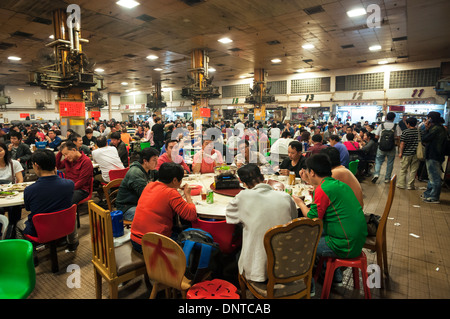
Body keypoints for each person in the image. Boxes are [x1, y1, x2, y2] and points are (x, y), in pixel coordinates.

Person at [293, 154, 367, 285]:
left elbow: (312, 218)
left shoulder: (324, 189)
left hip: (345, 245)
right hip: (357, 239)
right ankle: (334, 275)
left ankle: (308, 286)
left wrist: (300, 203)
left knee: (303, 243)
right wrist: (309, 180)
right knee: (315, 233)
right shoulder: (337, 184)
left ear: (312, 172)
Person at [225, 164, 297, 282]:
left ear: (242, 183)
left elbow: (230, 217)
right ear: (263, 177)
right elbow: (293, 219)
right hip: (288, 264)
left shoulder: (243, 196)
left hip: (257, 269)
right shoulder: (285, 197)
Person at [130, 162, 197, 253]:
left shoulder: (149, 186)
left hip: (135, 240)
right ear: (174, 180)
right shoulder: (171, 193)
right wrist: (187, 195)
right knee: (191, 240)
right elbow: (191, 215)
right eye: (180, 180)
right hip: (152, 245)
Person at [15, 150, 74, 247]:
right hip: (64, 225)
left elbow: (28, 209)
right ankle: (73, 243)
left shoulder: (30, 190)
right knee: (71, 212)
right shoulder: (69, 184)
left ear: (36, 166)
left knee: (18, 224)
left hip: (40, 230)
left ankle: (30, 255)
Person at [116, 147, 159, 221]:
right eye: (154, 160)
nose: (157, 163)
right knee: (154, 216)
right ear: (145, 161)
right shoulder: (135, 173)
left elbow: (161, 176)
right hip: (127, 207)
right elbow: (145, 195)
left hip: (138, 203)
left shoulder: (149, 169)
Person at [421, 111, 448, 203]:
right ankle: (428, 194)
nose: (427, 120)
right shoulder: (440, 128)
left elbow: (424, 138)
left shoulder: (436, 129)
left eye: (428, 118)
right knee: (431, 176)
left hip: (434, 155)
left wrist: (426, 128)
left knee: (434, 177)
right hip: (435, 155)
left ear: (431, 119)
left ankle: (434, 197)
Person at [56, 141, 93, 205]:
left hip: (81, 189)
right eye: (64, 155)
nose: (65, 157)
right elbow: (57, 166)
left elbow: (82, 181)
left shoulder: (86, 161)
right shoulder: (68, 160)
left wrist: (68, 189)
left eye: (66, 154)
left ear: (74, 150)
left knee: (65, 202)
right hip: (69, 186)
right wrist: (60, 151)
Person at [0, 142, 24, 238]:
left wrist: (14, 189)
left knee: (15, 208)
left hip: (11, 193)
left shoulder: (14, 163)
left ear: (5, 151)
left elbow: (20, 180)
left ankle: (13, 232)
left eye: (0, 150)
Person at [372, 112, 402, 183]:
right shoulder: (396, 126)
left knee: (378, 161)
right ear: (393, 118)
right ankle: (387, 178)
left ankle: (376, 174)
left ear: (386, 118)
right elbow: (399, 137)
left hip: (381, 146)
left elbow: (376, 136)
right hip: (391, 147)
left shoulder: (381, 126)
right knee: (390, 163)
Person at [398, 117, 420, 190]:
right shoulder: (419, 132)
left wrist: (400, 153)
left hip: (406, 154)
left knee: (403, 169)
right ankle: (410, 185)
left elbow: (402, 143)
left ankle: (401, 184)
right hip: (416, 154)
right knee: (413, 170)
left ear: (408, 124)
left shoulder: (405, 132)